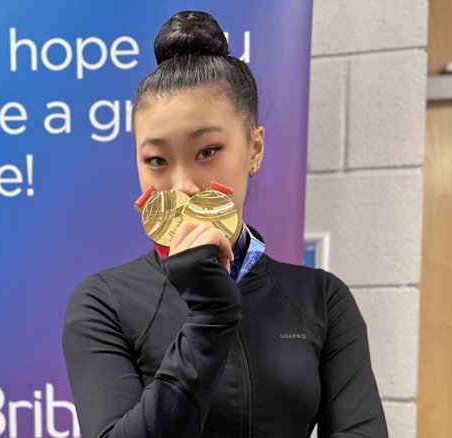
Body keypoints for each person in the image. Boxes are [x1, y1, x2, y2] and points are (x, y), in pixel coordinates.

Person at [62, 11, 387, 438]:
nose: (183, 186)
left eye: (207, 151)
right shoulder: (102, 303)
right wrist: (209, 318)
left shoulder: (322, 300)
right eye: (156, 160)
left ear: (254, 149)